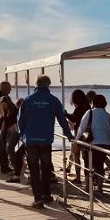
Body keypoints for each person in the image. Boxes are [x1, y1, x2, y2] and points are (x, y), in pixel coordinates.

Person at [18, 75, 74, 208]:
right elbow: (62, 120)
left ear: (36, 84)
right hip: (46, 140)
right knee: (46, 167)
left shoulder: (27, 100)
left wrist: (22, 135)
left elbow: (20, 120)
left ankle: (38, 199)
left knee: (34, 169)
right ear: (48, 84)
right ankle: (46, 194)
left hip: (31, 139)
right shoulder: (53, 100)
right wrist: (69, 136)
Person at [77, 95, 110, 194]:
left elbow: (82, 127)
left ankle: (88, 187)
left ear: (94, 103)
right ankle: (100, 188)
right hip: (104, 143)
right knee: (100, 165)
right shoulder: (107, 115)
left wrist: (77, 139)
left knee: (88, 164)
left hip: (91, 143)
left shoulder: (90, 112)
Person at [65, 89, 90, 184]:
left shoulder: (79, 108)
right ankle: (88, 178)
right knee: (86, 157)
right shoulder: (87, 107)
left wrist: (66, 114)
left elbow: (75, 118)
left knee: (76, 156)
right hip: (87, 134)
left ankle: (78, 177)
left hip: (79, 134)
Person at [0, 95, 19, 178]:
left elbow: (20, 120)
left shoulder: (15, 109)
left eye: (4, 104)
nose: (3, 106)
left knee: (10, 148)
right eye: (2, 105)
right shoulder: (4, 110)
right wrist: (1, 133)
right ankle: (14, 166)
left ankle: (17, 168)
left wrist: (15, 125)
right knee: (6, 149)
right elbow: (4, 122)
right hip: (7, 131)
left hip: (15, 131)